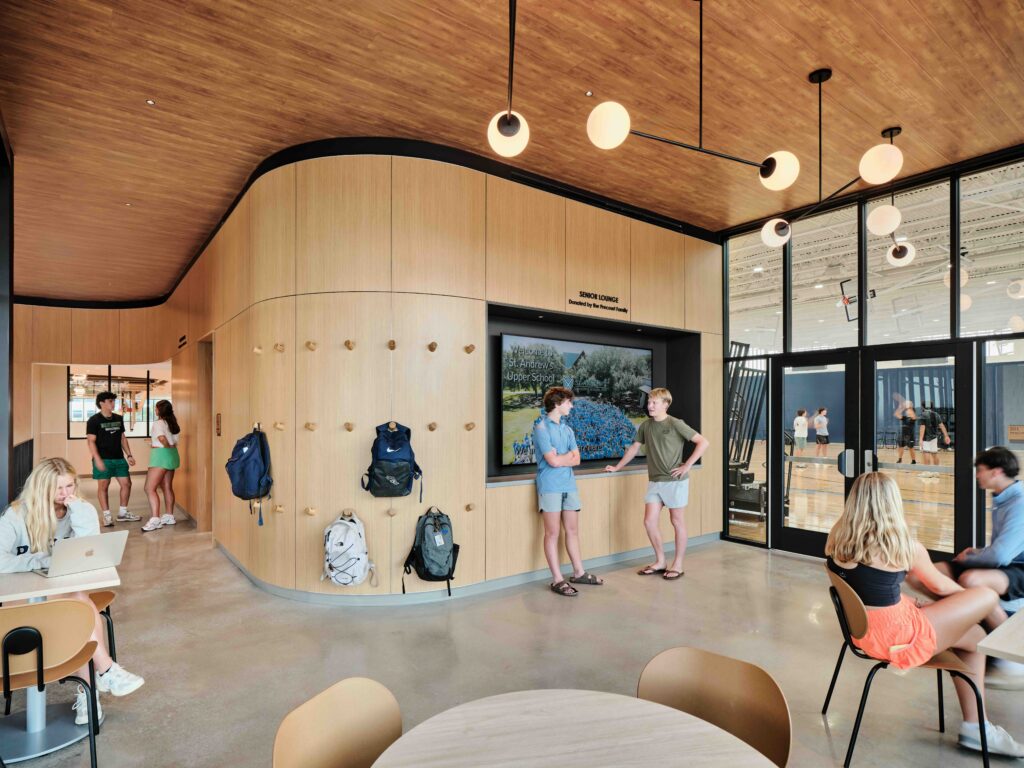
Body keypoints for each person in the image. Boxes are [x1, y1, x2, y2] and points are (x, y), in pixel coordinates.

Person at [826, 472, 1024, 757]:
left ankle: (976, 726)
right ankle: (983, 713)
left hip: (864, 631)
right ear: (893, 502)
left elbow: (870, 590)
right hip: (898, 639)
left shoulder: (837, 540)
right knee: (985, 595)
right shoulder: (904, 547)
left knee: (974, 636)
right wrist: (965, 606)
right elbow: (942, 587)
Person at [0, 458, 145, 725]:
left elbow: (88, 554)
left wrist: (83, 515)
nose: (67, 494)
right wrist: (43, 560)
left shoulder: (78, 509)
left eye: (70, 486)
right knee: (78, 604)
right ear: (41, 489)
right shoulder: (17, 514)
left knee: (77, 602)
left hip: (59, 596)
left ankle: (92, 688)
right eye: (59, 489)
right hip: (17, 604)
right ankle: (103, 675)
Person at [933, 447, 1024, 688]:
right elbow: (998, 550)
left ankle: (1011, 655)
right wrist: (975, 553)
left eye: (980, 471)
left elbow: (1001, 556)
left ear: (996, 472)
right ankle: (969, 621)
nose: (977, 476)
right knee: (933, 573)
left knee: (972, 580)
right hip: (1004, 565)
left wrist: (970, 557)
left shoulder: (1019, 501)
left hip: (1019, 569)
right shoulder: (1002, 496)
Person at [605, 387, 708, 581]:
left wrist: (687, 465)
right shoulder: (645, 426)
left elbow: (702, 442)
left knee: (677, 521)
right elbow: (634, 448)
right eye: (649, 402)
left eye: (654, 403)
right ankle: (660, 561)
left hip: (674, 481)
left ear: (665, 404)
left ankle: (677, 564)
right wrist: (617, 467)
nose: (649, 406)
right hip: (655, 481)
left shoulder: (676, 423)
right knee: (649, 521)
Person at [533, 386, 601, 596]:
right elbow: (552, 462)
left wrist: (559, 458)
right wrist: (563, 459)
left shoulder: (567, 429)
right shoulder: (541, 428)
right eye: (569, 402)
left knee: (572, 531)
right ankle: (557, 579)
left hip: (569, 486)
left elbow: (577, 459)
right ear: (557, 403)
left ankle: (579, 573)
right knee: (552, 533)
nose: (571, 406)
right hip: (550, 486)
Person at [87, 391, 141, 527]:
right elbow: (91, 441)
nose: (113, 403)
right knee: (103, 487)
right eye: (110, 401)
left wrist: (129, 455)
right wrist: (97, 458)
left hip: (119, 458)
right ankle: (106, 516)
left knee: (127, 484)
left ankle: (123, 513)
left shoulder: (118, 418)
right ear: (102, 403)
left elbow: (122, 438)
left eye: (113, 401)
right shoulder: (94, 420)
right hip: (103, 459)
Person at [142, 400, 181, 532]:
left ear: (159, 410)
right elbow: (175, 441)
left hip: (160, 455)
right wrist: (169, 446)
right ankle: (169, 516)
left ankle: (155, 519)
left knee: (149, 488)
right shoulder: (173, 423)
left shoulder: (158, 423)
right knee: (167, 487)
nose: (155, 410)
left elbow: (162, 438)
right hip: (172, 455)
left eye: (156, 408)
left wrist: (165, 446)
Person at [917, 402, 950, 479]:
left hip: (926, 438)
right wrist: (946, 436)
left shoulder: (923, 415)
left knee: (926, 453)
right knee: (934, 454)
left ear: (923, 407)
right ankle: (936, 471)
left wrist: (920, 439)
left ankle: (927, 472)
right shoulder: (936, 414)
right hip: (934, 438)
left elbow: (922, 427)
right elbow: (942, 426)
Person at [894, 400, 918, 465]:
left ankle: (913, 461)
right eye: (907, 411)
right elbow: (896, 414)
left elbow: (913, 415)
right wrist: (901, 407)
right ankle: (900, 459)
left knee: (911, 448)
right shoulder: (904, 418)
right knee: (900, 447)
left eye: (908, 410)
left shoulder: (913, 418)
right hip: (902, 434)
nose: (907, 412)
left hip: (910, 435)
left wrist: (909, 407)